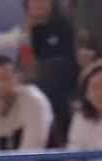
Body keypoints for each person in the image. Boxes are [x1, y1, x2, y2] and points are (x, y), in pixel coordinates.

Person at [23, 0, 81, 139]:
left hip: (66, 82)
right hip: (37, 84)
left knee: (52, 69)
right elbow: (26, 65)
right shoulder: (24, 35)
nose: (39, 3)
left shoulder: (65, 27)